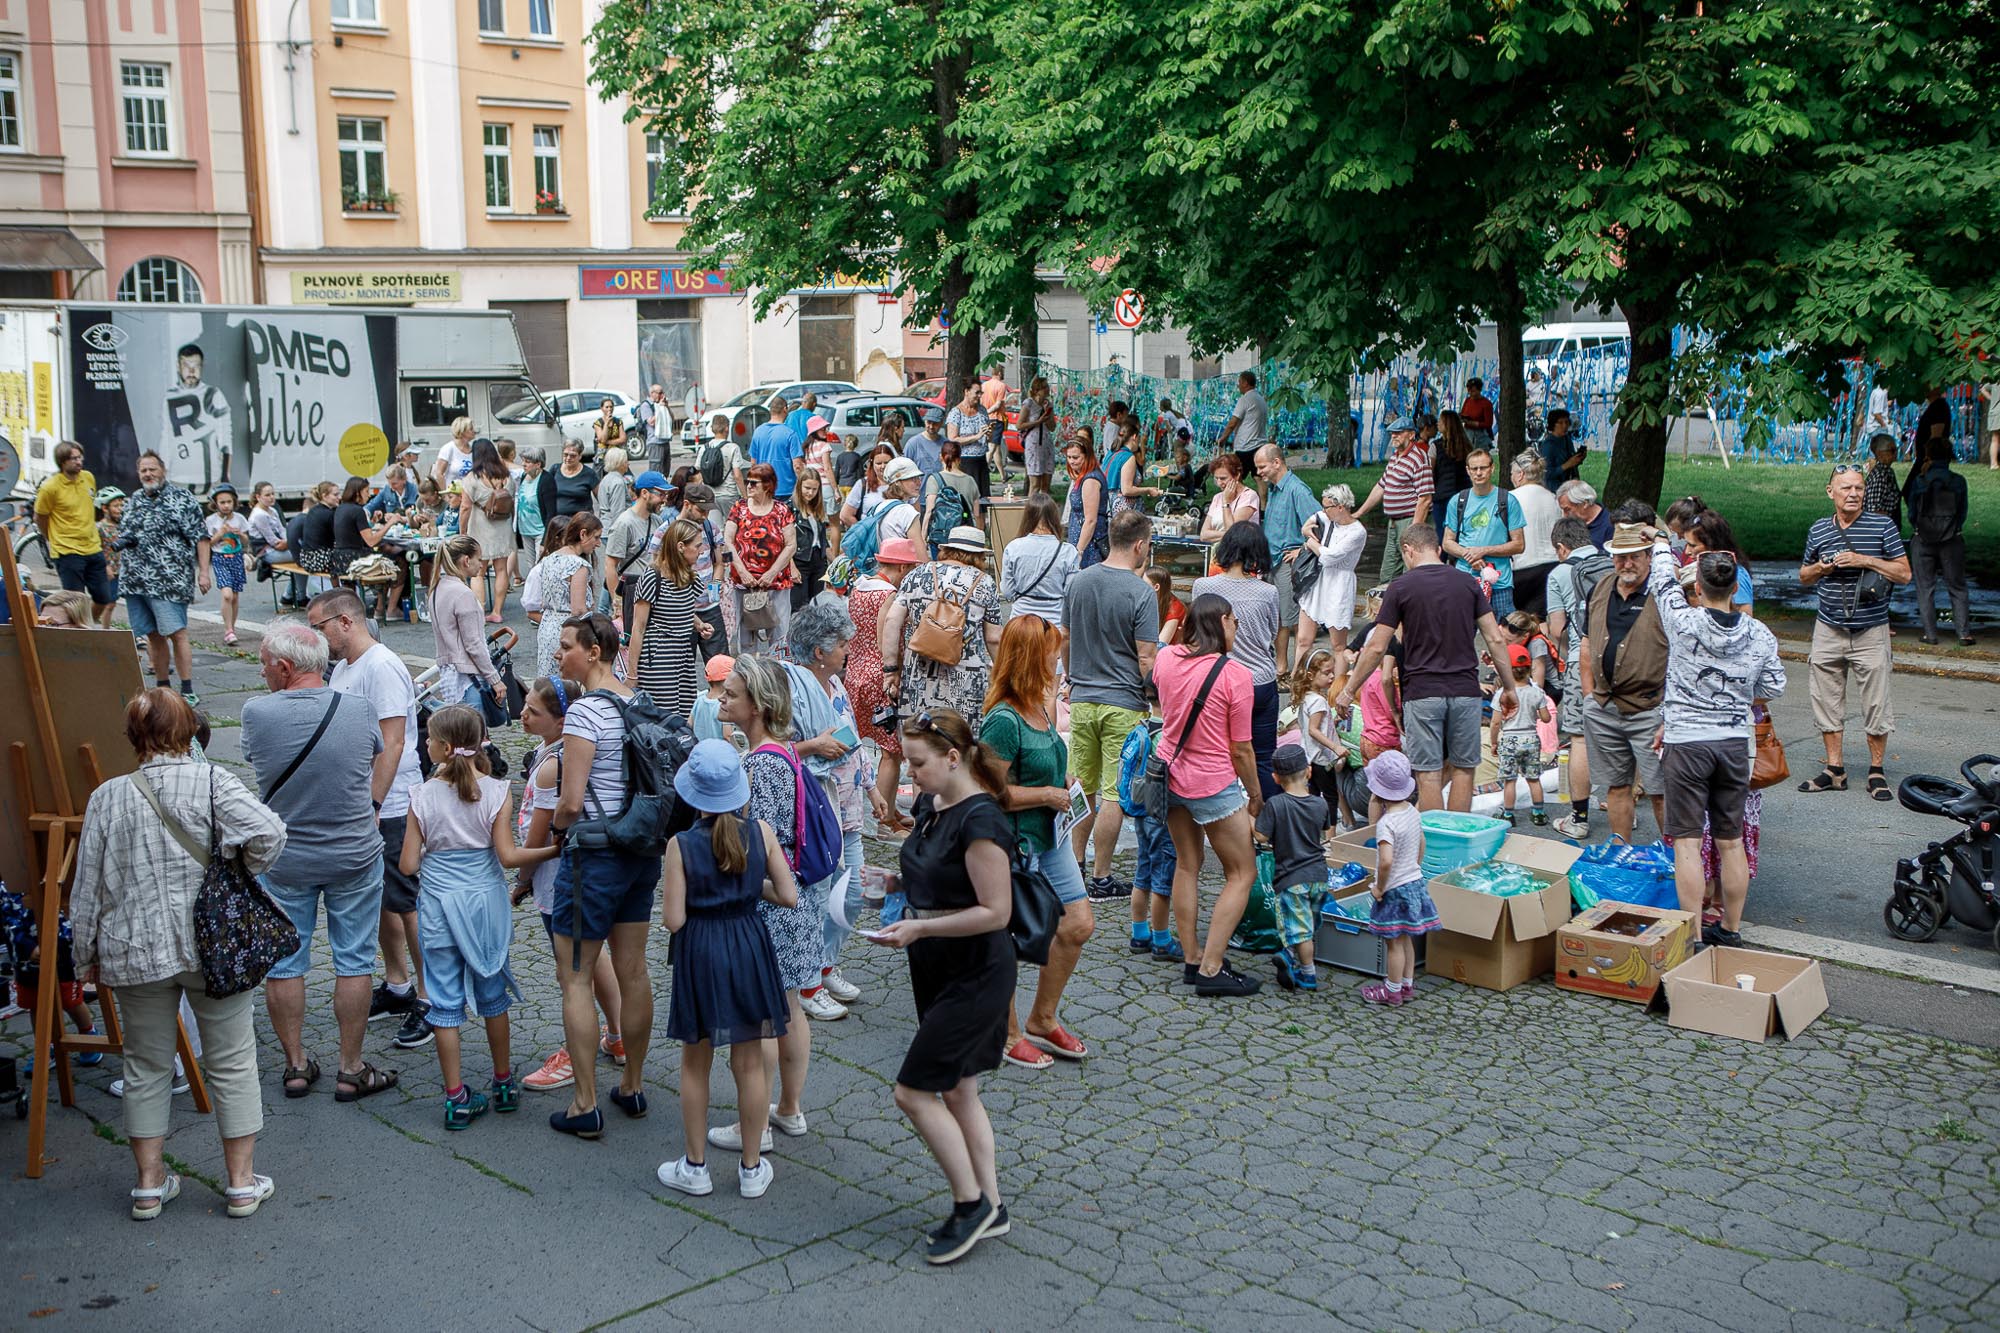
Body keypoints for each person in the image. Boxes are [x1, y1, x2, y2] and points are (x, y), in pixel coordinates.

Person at [70, 688, 286, 1219]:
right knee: (232, 1062)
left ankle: (148, 1185)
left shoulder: (107, 796)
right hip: (212, 946)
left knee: (144, 1065)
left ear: (134, 737)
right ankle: (239, 1183)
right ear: (188, 730)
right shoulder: (215, 781)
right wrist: (237, 866)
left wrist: (84, 957)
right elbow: (269, 832)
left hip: (131, 949)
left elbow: (86, 889)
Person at [870, 709, 1018, 1264]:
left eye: (917, 764)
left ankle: (970, 1203)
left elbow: (995, 911)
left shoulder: (982, 821)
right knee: (958, 1088)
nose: (910, 776)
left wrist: (920, 925)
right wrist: (896, 883)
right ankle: (993, 1206)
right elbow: (935, 872)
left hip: (976, 968)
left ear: (953, 758)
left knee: (912, 1091)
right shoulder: (934, 804)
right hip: (937, 960)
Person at [242, 622, 397, 1102]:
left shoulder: (256, 714)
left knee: (286, 963)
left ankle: (295, 1065)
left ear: (285, 668)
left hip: (286, 858)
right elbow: (371, 757)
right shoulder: (358, 709)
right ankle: (351, 1068)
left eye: (265, 664)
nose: (263, 672)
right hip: (353, 852)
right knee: (353, 961)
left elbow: (257, 762)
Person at [652, 739, 798, 1200]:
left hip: (702, 950)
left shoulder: (681, 845)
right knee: (750, 1063)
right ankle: (752, 1168)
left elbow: (673, 920)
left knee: (696, 1063)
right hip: (750, 945)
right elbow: (789, 895)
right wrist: (750, 890)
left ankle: (695, 1167)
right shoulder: (762, 833)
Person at [400, 704, 552, 1128]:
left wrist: (432, 849)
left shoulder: (422, 796)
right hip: (485, 905)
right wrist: (553, 849)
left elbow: (409, 866)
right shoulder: (498, 791)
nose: (425, 744)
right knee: (492, 993)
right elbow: (506, 856)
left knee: (444, 1004)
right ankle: (503, 1082)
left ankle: (455, 1097)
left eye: (428, 738)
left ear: (445, 747)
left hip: (439, 910)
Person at [705, 655, 828, 1154]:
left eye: (731, 694)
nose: (722, 699)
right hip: (798, 897)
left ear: (756, 704)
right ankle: (790, 1109)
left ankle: (752, 1123)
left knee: (760, 1019)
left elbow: (761, 841)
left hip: (771, 904)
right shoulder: (783, 752)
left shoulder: (759, 765)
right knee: (790, 1007)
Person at [1644, 530, 1786, 948]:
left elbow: (1663, 582)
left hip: (1687, 741)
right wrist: (1741, 690)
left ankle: (1691, 932)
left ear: (1700, 588)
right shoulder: (1759, 634)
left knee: (1687, 842)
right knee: (1731, 839)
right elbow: (1774, 686)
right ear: (1733, 586)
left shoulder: (1683, 621)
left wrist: (1659, 544)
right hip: (1734, 743)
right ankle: (1731, 928)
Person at [545, 614, 657, 1138]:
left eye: (565, 647)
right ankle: (632, 1086)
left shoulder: (584, 713)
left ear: (593, 652)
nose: (557, 656)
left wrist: (557, 829)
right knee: (633, 970)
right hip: (640, 849)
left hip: (593, 854)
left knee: (577, 976)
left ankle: (584, 1103)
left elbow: (570, 800)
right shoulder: (636, 699)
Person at [309, 588, 432, 1048]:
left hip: (393, 803)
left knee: (407, 902)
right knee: (379, 898)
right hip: (362, 805)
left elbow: (394, 743)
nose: (316, 638)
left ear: (344, 622)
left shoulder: (380, 667)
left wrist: (374, 806)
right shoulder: (341, 669)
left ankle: (429, 993)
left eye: (319, 628)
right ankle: (398, 983)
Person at [1336, 524, 1520, 812]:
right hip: (1465, 691)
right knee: (1463, 770)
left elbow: (1375, 647)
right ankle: (1457, 843)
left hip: (1422, 694)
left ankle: (1433, 845)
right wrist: (1509, 688)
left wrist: (1348, 691)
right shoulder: (1469, 583)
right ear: (1436, 549)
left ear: (1407, 550)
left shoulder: (1400, 588)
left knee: (1429, 774)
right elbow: (1495, 638)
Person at [981, 615, 1094, 1068]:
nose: (1059, 655)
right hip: (1015, 844)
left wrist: (1061, 778)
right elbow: (989, 791)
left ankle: (1041, 1019)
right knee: (1008, 939)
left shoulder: (1040, 705)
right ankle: (1006, 1034)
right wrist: (1046, 793)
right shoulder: (1004, 719)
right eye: (1052, 648)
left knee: (1079, 924)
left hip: (1049, 836)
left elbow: (1042, 762)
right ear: (1034, 656)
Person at [509, 677, 629, 1091]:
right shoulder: (562, 753)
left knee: (571, 975)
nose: (523, 714)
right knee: (596, 961)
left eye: (534, 711)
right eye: (525, 705)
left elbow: (538, 836)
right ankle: (617, 1037)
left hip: (554, 881)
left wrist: (522, 879)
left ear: (562, 721)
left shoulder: (551, 767)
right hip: (585, 871)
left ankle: (575, 1056)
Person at [1155, 593, 1262, 996]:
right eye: (1235, 621)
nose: (1237, 629)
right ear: (1222, 622)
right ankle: (1213, 969)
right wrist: (1254, 793)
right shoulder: (1236, 675)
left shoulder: (1167, 660)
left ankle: (1192, 956)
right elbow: (1241, 749)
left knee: (1187, 864)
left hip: (1169, 774)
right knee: (1242, 872)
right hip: (1212, 783)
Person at [1798, 464, 1912, 799]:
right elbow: (1804, 575)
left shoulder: (1882, 525)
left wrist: (1864, 559)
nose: (1853, 494)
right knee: (1825, 697)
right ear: (1830, 492)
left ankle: (1876, 771)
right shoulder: (1819, 530)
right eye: (1846, 488)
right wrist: (1822, 567)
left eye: (1859, 488)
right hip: (1828, 626)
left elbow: (1904, 574)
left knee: (1876, 702)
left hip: (1871, 627)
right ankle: (1834, 769)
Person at [1061, 508, 1159, 897]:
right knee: (1114, 793)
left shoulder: (1079, 582)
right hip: (1124, 704)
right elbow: (1147, 659)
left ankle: (1074, 866)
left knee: (1081, 788)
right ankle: (1102, 878)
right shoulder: (1141, 592)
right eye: (1148, 546)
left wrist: (1071, 676)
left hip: (1083, 699)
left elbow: (1064, 639)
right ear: (1138, 545)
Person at [789, 598, 877, 1009]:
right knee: (818, 895)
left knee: (854, 891)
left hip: (848, 805)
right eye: (842, 644)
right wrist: (814, 746)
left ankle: (825, 963)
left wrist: (873, 789)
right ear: (820, 651)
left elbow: (854, 739)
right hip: (815, 807)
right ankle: (807, 983)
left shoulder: (837, 683)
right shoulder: (790, 689)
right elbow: (773, 747)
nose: (848, 651)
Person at [1577, 522, 1670, 840]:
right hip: (1604, 706)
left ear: (1648, 557)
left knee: (1661, 790)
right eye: (1620, 557)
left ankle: (1677, 861)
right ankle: (1622, 856)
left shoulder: (1664, 591)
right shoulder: (1601, 588)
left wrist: (1669, 712)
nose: (1626, 564)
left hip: (1650, 708)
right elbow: (1586, 645)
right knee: (1616, 786)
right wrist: (1590, 696)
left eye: (1634, 556)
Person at [1193, 521, 1284, 798]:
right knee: (1264, 757)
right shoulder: (1268, 592)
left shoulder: (1203, 587)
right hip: (1261, 681)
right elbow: (1271, 632)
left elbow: (1198, 633)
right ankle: (1267, 824)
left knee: (1219, 753)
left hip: (1220, 681)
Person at [881, 526, 1003, 729]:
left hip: (918, 678)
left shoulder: (916, 575)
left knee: (921, 744)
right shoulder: (985, 584)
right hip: (966, 684)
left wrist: (890, 669)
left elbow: (891, 621)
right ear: (979, 555)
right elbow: (994, 638)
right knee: (960, 747)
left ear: (947, 549)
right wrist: (1002, 675)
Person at [116, 451, 211, 708]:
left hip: (169, 581)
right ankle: (162, 688)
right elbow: (126, 533)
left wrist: (204, 572)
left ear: (163, 470)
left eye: (152, 469)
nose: (148, 474)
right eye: (143, 470)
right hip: (136, 581)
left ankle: (187, 689)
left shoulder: (181, 498)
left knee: (177, 633)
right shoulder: (134, 499)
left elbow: (201, 537)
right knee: (152, 635)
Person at [850, 536, 925, 835]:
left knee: (871, 745)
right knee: (891, 751)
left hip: (855, 671)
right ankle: (886, 821)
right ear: (902, 567)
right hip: (878, 676)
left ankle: (888, 810)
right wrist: (894, 672)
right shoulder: (889, 595)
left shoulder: (859, 587)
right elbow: (887, 641)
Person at [1543, 516, 1610, 838]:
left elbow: (1557, 629)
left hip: (1579, 662)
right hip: (1617, 661)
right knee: (1621, 733)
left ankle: (1579, 818)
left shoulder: (1559, 573)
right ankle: (1621, 804)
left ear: (1561, 547)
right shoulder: (1612, 563)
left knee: (1580, 739)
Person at [1359, 750, 1438, 1006]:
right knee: (1407, 939)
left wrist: (1379, 888)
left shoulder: (1387, 823)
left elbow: (1386, 861)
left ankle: (1391, 990)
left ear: (1378, 791)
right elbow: (1422, 842)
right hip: (1414, 882)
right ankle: (1407, 985)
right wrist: (1415, 865)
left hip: (1394, 888)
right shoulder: (1414, 813)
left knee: (1393, 943)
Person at [1257, 744, 1333, 992]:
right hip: (1319, 876)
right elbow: (1325, 829)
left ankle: (1308, 973)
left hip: (1291, 879)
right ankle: (1288, 954)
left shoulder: (1276, 804)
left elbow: (1260, 836)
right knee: (1306, 923)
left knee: (1300, 930)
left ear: (1275, 778)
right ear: (1309, 772)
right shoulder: (1320, 804)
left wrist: (1249, 819)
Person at [629, 517, 713, 719]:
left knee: (683, 717)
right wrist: (632, 675)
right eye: (698, 546)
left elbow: (680, 608)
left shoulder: (688, 575)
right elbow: (638, 628)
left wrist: (700, 625)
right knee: (663, 717)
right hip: (659, 657)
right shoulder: (652, 577)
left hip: (683, 655)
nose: (701, 551)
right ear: (681, 546)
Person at [1901, 435, 1973, 645]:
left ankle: (1930, 634)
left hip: (1923, 538)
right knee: (1957, 586)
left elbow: (1912, 511)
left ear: (1928, 456)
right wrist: (1953, 528)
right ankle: (1963, 633)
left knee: (1925, 587)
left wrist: (1919, 527)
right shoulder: (1958, 481)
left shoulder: (1920, 481)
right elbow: (1962, 512)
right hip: (1951, 539)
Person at [1254, 444, 1320, 673]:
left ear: (1277, 462)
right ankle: (1281, 666)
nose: (1259, 472)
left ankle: (1284, 669)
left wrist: (1301, 551)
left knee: (1285, 618)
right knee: (1276, 617)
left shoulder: (1298, 490)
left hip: (1287, 563)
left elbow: (1319, 525)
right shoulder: (1273, 489)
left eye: (1262, 467)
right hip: (1271, 561)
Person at [35, 441, 116, 625]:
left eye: (80, 457)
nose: (79, 462)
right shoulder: (50, 488)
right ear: (62, 462)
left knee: (104, 597)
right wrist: (52, 538)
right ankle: (79, 632)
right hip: (67, 551)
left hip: (92, 548)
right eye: (74, 458)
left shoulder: (88, 478)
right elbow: (40, 517)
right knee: (74, 602)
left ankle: (87, 625)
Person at [1440, 449, 1526, 619]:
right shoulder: (1458, 501)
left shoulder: (1507, 500)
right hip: (1465, 580)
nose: (1478, 473)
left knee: (1503, 633)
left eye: (1483, 468)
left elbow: (1519, 544)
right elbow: (1447, 542)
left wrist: (1484, 551)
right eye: (1474, 469)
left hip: (1499, 582)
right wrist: (1469, 554)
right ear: (1468, 470)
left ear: (1492, 469)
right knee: (1462, 632)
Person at [726, 462, 799, 657]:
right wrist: (742, 572)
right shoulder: (739, 508)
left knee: (779, 637)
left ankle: (778, 678)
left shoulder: (782, 511)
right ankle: (749, 681)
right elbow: (728, 541)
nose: (748, 486)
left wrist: (771, 573)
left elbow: (791, 545)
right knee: (745, 638)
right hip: (744, 584)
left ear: (768, 485)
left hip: (776, 584)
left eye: (754, 483)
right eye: (748, 482)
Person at [1297, 483, 1367, 678]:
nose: (1323, 510)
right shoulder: (1326, 519)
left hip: (1339, 585)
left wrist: (1310, 543)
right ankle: (1298, 682)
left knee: (1338, 644)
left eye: (1326, 506)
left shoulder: (1357, 532)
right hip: (1318, 581)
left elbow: (1329, 556)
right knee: (1303, 639)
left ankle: (1336, 691)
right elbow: (1309, 522)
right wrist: (1305, 531)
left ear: (1340, 507)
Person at [429, 536, 507, 708]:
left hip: (448, 675)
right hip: (467, 677)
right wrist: (494, 678)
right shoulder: (463, 594)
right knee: (473, 731)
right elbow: (473, 643)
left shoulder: (436, 589)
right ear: (466, 560)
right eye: (479, 559)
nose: (481, 564)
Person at [1351, 417, 1430, 585]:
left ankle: (1408, 608)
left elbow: (1425, 499)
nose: (1394, 436)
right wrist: (1359, 512)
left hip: (1408, 521)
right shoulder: (1396, 457)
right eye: (1392, 433)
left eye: (1399, 433)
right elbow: (1381, 487)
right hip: (1393, 522)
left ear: (1411, 434)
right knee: (1388, 571)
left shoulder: (1418, 458)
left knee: (1410, 571)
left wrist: (1413, 530)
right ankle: (1386, 603)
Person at [1488, 645, 1554, 825]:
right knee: (1533, 779)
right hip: (1531, 739)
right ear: (1528, 668)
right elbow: (1546, 718)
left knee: (1510, 781)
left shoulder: (1502, 694)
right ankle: (1539, 813)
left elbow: (1495, 722)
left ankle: (1508, 815)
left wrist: (1493, 743)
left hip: (1509, 740)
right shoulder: (1536, 692)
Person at [531, 515, 600, 680]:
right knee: (568, 684)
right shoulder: (578, 565)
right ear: (583, 534)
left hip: (547, 626)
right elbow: (578, 609)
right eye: (596, 537)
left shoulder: (549, 559)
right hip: (569, 631)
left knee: (550, 684)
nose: (598, 543)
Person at [997, 493, 1078, 630]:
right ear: (1054, 518)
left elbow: (1007, 591)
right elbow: (1070, 593)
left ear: (1027, 517)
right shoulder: (1068, 552)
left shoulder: (1013, 548)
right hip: (1054, 625)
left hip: (1020, 622)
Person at [603, 469, 671, 627]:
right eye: (661, 494)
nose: (664, 500)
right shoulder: (624, 523)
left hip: (653, 593)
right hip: (632, 595)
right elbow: (610, 565)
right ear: (645, 493)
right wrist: (617, 602)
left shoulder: (656, 520)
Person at [1507, 452, 1562, 615]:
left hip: (1522, 567)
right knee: (1540, 620)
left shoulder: (1510, 499)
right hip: (1552, 565)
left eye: (1512, 474)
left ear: (1520, 475)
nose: (1511, 477)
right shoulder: (1553, 498)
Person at [199, 484, 249, 646]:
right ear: (215, 504)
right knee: (226, 594)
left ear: (234, 502)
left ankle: (231, 628)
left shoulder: (239, 519)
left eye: (229, 502)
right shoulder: (211, 520)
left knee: (234, 596)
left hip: (236, 558)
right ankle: (228, 629)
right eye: (222, 502)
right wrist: (219, 534)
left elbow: (246, 541)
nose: (226, 505)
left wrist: (239, 534)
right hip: (220, 559)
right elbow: (208, 544)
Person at [923, 439, 984, 554]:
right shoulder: (970, 480)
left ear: (941, 456)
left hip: (941, 538)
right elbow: (976, 514)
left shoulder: (934, 479)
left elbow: (929, 512)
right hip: (964, 538)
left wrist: (923, 538)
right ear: (960, 459)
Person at [1062, 431, 1110, 567]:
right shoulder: (1084, 476)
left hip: (1089, 544)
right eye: (1069, 457)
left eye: (1076, 457)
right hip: (1081, 539)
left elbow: (1090, 520)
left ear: (1086, 456)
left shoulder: (1090, 480)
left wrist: (1079, 551)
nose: (1071, 461)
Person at [789, 469, 833, 607]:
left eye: (814, 489)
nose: (810, 493)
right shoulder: (790, 508)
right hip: (799, 560)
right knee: (799, 606)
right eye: (807, 488)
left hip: (818, 559)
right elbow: (784, 543)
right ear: (799, 486)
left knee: (816, 604)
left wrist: (836, 562)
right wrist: (792, 567)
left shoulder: (817, 508)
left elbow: (823, 541)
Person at [1429, 412, 1474, 538]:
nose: (1437, 423)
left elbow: (1430, 471)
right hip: (1464, 492)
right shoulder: (1466, 445)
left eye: (1440, 421)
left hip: (1441, 494)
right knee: (1461, 531)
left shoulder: (1435, 446)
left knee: (1442, 532)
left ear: (1446, 425)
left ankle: (1442, 557)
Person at [943, 384, 993, 498]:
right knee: (968, 498)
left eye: (981, 393)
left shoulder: (982, 410)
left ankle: (981, 516)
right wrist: (977, 436)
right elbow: (952, 439)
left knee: (983, 499)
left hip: (981, 460)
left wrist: (988, 434)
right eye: (977, 392)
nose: (979, 396)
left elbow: (986, 435)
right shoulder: (956, 413)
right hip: (964, 462)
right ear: (966, 391)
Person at [1199, 452, 1262, 541]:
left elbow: (1232, 532)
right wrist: (1226, 535)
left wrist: (1226, 503)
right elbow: (1204, 535)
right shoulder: (1217, 498)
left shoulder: (1249, 496)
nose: (1219, 483)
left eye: (1223, 478)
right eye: (1216, 478)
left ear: (1237, 475)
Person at [1220, 370, 1270, 480]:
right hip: (1260, 445)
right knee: (1259, 477)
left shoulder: (1245, 399)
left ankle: (1236, 497)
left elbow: (1233, 423)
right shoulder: (1261, 399)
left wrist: (1223, 438)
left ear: (1245, 383)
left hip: (1245, 446)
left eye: (1240, 382)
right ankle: (1264, 498)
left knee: (1235, 478)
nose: (1238, 385)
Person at [750, 401, 804, 501]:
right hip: (785, 490)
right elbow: (797, 466)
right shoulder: (790, 434)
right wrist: (802, 486)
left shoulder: (758, 432)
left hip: (764, 488)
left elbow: (753, 463)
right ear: (785, 409)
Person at [1105, 423, 1163, 517]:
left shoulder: (1111, 453)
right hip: (1124, 511)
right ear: (1134, 437)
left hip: (1108, 506)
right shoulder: (1128, 457)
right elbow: (1127, 490)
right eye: (1139, 439)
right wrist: (1148, 490)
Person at [1018, 376, 1056, 493]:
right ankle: (1032, 509)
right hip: (1033, 445)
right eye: (1044, 387)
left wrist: (1047, 413)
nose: (1047, 389)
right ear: (1036, 390)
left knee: (1046, 484)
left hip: (1046, 444)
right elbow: (1019, 425)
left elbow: (1052, 427)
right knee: (1035, 484)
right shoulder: (1029, 403)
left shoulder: (1048, 404)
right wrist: (1037, 422)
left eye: (1047, 386)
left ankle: (1044, 510)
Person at [1557, 479, 1613, 550]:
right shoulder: (1571, 523)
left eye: (1567, 510)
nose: (1564, 515)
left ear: (1585, 503)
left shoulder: (1610, 526)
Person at [1539, 408, 1586, 491]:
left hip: (1569, 486)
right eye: (1560, 423)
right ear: (1553, 425)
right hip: (1553, 489)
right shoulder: (1548, 445)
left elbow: (1569, 461)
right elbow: (1546, 474)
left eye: (1567, 422)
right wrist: (1567, 465)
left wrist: (1578, 459)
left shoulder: (1566, 439)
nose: (1565, 426)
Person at [552, 439, 600, 519]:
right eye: (565, 454)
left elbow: (601, 498)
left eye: (572, 455)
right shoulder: (555, 470)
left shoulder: (589, 474)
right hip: (559, 522)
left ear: (580, 456)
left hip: (581, 522)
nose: (568, 458)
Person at [432, 416, 477, 490]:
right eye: (471, 429)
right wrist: (445, 496)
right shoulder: (448, 449)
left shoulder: (474, 448)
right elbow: (439, 474)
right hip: (453, 494)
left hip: (470, 494)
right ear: (462, 431)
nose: (474, 431)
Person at [905, 407, 946, 476]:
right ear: (924, 421)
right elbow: (905, 468)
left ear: (941, 423)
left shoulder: (946, 444)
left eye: (935, 423)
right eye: (929, 422)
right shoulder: (913, 443)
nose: (931, 426)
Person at [1459, 378, 1495, 446]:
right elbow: (1462, 413)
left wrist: (1475, 423)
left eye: (1473, 391)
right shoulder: (1468, 400)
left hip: (1480, 436)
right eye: (1469, 391)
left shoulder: (1486, 403)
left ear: (1480, 389)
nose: (1470, 393)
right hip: (1468, 433)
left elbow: (1488, 423)